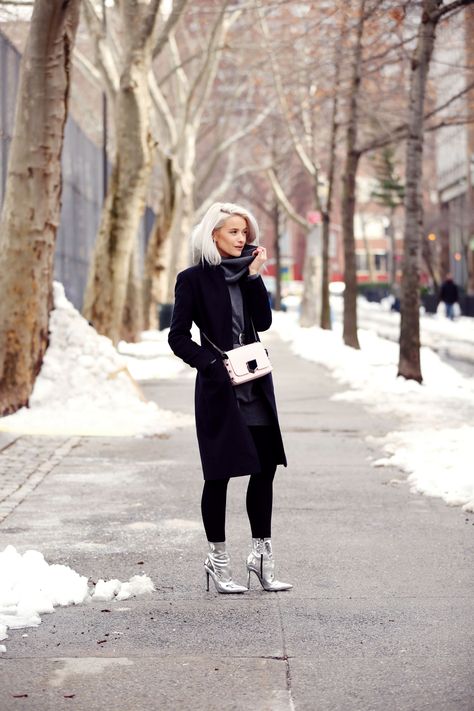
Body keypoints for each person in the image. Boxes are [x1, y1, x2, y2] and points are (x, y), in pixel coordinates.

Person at [168, 202, 291, 594]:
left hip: (255, 385)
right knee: (219, 475)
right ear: (213, 235)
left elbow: (265, 323)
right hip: (220, 391)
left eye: (245, 232)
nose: (242, 238)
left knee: (264, 469)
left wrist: (255, 279)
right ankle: (218, 561)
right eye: (234, 232)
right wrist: (210, 364)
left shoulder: (248, 275)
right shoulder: (193, 279)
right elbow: (177, 337)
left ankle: (260, 557)